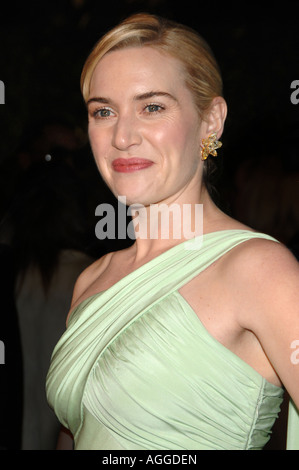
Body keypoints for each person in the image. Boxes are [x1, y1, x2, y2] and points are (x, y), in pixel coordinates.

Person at [46, 13, 299, 450]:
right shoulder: (91, 278)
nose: (122, 136)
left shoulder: (260, 270)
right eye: (103, 111)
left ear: (210, 121)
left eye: (153, 107)